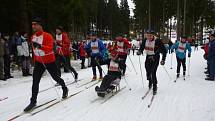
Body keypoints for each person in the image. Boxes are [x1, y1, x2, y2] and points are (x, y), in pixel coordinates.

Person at [24, 18, 68, 112]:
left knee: (55, 78)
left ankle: (64, 88)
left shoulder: (47, 36)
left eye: (35, 24)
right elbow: (34, 50)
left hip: (49, 61)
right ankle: (33, 101)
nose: (33, 26)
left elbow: (50, 48)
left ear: (40, 25)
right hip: (39, 62)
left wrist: (41, 46)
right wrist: (35, 60)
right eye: (32, 24)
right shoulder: (33, 37)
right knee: (35, 81)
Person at [137, 30, 167, 95]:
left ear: (153, 35)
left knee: (153, 72)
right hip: (148, 57)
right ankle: (150, 80)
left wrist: (163, 59)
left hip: (155, 58)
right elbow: (142, 47)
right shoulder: (145, 40)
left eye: (150, 35)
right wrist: (139, 51)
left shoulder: (158, 41)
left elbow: (164, 51)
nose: (149, 37)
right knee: (148, 71)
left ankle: (155, 86)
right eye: (147, 35)